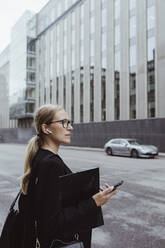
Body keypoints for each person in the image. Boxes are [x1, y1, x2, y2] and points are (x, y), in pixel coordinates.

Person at [19, 104, 117, 248]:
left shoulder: (42, 157)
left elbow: (57, 202)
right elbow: (52, 223)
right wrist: (93, 202)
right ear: (46, 128)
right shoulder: (51, 165)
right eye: (63, 123)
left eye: (69, 123)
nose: (70, 128)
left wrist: (91, 195)